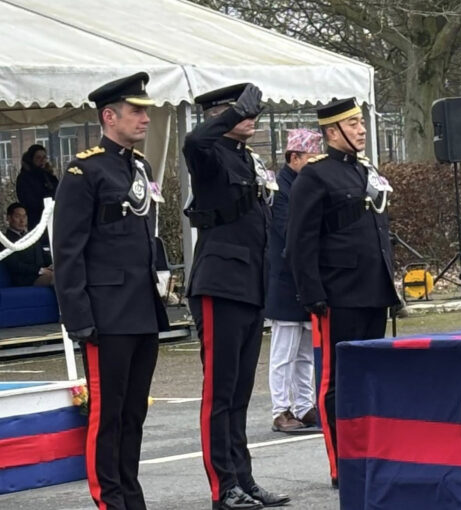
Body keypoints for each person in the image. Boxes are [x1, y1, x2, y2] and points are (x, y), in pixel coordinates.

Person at [53, 72, 169, 510]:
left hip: (141, 307)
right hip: (106, 312)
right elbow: (68, 250)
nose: (144, 118)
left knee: (134, 411)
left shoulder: (139, 167)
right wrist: (78, 317)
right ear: (109, 116)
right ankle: (109, 499)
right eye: (136, 110)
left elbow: (144, 238)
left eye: (145, 110)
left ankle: (130, 493)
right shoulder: (85, 170)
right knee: (108, 414)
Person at [183, 83, 289, 509]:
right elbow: (194, 140)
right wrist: (228, 116)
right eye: (239, 111)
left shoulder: (248, 159)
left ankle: (243, 477)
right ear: (216, 115)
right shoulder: (208, 154)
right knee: (220, 392)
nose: (250, 117)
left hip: (249, 285)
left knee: (241, 393)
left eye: (251, 111)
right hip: (219, 283)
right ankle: (222, 485)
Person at [286, 97, 400, 488]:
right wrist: (311, 292)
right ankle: (342, 464)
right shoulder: (315, 176)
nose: (361, 129)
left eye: (361, 122)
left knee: (371, 378)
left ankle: (370, 453)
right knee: (336, 382)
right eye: (353, 124)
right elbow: (300, 240)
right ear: (332, 132)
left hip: (373, 289)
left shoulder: (365, 170)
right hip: (337, 293)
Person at [266, 128, 322, 433]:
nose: (314, 164)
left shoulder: (302, 185)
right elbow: (290, 231)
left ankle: (303, 405)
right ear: (294, 157)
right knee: (283, 352)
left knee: (304, 352)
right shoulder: (280, 189)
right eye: (310, 158)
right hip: (286, 279)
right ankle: (280, 409)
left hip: (301, 278)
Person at [3, 202, 53, 286]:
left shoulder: (32, 236)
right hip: (25, 280)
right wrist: (40, 270)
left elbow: (43, 255)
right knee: (57, 278)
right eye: (17, 216)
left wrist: (53, 264)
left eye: (24, 216)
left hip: (42, 273)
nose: (22, 220)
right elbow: (15, 265)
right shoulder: (5, 240)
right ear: (9, 218)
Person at [16, 143, 59, 231]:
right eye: (38, 158)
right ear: (31, 159)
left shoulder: (48, 175)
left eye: (44, 157)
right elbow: (29, 201)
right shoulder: (24, 177)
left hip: (54, 220)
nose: (42, 160)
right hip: (37, 222)